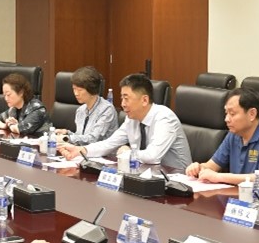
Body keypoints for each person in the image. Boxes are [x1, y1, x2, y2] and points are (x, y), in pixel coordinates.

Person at [58, 73, 192, 173]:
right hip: (146, 175)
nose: (122, 104)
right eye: (122, 98)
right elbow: (110, 143)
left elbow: (153, 156)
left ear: (144, 100)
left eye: (126, 99)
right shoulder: (131, 118)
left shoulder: (165, 118)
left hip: (177, 181)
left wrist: (129, 152)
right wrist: (82, 150)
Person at [185, 87, 259, 195]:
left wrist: (218, 176)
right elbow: (212, 166)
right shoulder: (233, 135)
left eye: (232, 113)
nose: (226, 119)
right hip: (241, 198)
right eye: (226, 113)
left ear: (252, 114)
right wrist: (199, 168)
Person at [54, 66, 118, 145]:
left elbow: (93, 139)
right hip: (83, 151)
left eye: (80, 90)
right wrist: (67, 133)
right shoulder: (80, 110)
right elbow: (81, 138)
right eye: (74, 89)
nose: (76, 93)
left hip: (103, 152)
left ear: (91, 89)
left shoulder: (107, 110)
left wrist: (67, 138)